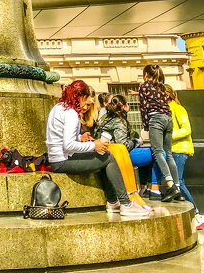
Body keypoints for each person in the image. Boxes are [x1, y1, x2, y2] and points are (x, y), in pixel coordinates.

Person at [46, 79, 149, 217]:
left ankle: (113, 202)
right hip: (63, 161)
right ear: (79, 96)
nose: (87, 104)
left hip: (56, 158)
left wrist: (81, 139)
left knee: (102, 157)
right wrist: (95, 145)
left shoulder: (58, 107)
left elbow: (63, 139)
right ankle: (125, 203)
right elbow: (68, 145)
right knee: (108, 158)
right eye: (86, 98)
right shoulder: (71, 113)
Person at [150, 85, 204, 228]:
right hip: (172, 151)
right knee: (177, 182)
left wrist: (165, 136)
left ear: (166, 95)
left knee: (178, 182)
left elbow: (186, 129)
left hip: (179, 150)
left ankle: (197, 214)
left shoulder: (178, 109)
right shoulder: (165, 110)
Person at [138, 65, 181, 201]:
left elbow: (143, 106)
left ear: (146, 74)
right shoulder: (162, 86)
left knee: (158, 153)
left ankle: (170, 185)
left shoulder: (144, 86)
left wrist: (145, 124)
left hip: (156, 119)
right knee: (169, 154)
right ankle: (178, 188)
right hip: (168, 119)